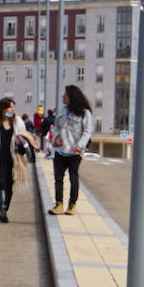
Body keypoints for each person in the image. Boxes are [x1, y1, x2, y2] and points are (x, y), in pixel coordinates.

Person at [0, 97, 38, 223]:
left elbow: (24, 136)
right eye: (9, 107)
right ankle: (3, 212)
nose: (12, 109)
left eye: (13, 107)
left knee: (9, 185)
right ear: (2, 109)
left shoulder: (17, 121)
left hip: (13, 159)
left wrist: (21, 140)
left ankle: (5, 208)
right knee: (1, 184)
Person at [47, 85, 92, 215]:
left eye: (65, 95)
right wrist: (55, 139)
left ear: (72, 97)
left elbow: (87, 131)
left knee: (73, 178)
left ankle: (72, 205)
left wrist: (80, 145)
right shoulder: (62, 110)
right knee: (58, 178)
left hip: (75, 152)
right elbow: (56, 127)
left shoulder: (85, 113)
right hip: (61, 151)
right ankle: (58, 204)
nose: (63, 97)